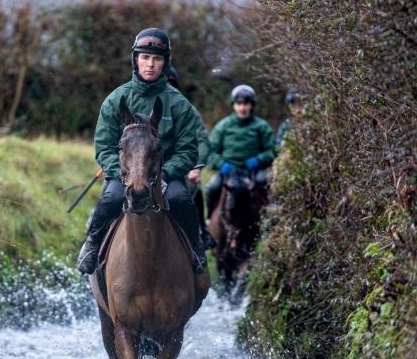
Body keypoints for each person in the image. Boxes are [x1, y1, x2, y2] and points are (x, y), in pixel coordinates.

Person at [76, 28, 208, 275]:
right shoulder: (116, 100)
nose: (150, 64)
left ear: (165, 63)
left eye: (157, 59)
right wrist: (122, 174)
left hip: (165, 174)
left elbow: (189, 150)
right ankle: (92, 244)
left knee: (181, 200)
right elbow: (103, 147)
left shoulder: (179, 104)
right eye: (145, 58)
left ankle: (196, 248)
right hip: (125, 174)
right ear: (135, 60)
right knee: (112, 198)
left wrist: (166, 174)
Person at [166, 65, 216, 249]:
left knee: (194, 191)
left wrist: (197, 166)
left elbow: (202, 140)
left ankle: (200, 233)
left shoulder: (188, 110)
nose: (167, 86)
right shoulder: (141, 103)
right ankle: (95, 237)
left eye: (171, 83)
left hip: (180, 170)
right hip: (147, 169)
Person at [205, 84, 276, 215]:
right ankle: (210, 220)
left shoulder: (262, 126)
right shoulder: (222, 126)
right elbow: (210, 151)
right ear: (233, 105)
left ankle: (269, 220)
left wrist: (259, 160)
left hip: (252, 170)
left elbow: (272, 151)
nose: (242, 108)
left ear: (252, 105)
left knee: (265, 182)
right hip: (228, 170)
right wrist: (221, 164)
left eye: (246, 104)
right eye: (239, 104)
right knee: (212, 188)